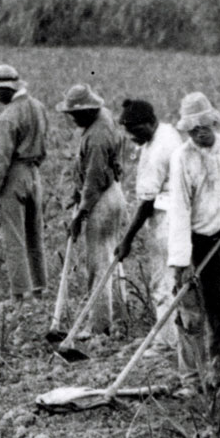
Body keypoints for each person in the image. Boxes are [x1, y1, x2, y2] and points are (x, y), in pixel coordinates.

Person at [162, 91, 220, 391]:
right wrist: (183, 262)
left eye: (204, 125)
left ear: (213, 121)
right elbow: (179, 211)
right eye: (193, 128)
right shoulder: (181, 158)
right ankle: (192, 379)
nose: (200, 132)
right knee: (190, 316)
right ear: (186, 130)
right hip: (192, 243)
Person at [117, 98, 188, 366]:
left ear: (149, 123)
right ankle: (169, 335)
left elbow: (146, 202)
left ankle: (166, 342)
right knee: (171, 280)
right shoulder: (166, 132)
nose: (131, 136)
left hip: (166, 219)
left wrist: (127, 239)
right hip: (174, 215)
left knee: (163, 282)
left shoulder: (159, 149)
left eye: (136, 129)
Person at [58, 83, 129, 335]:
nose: (72, 118)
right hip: (112, 193)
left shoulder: (97, 136)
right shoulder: (103, 119)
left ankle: (99, 325)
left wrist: (81, 212)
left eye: (75, 114)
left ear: (89, 110)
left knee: (98, 262)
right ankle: (120, 315)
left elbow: (94, 178)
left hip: (102, 199)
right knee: (110, 257)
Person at [0, 64, 49, 297]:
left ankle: (20, 294)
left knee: (14, 238)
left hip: (14, 174)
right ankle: (39, 287)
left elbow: (0, 161)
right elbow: (44, 147)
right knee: (34, 234)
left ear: (8, 89)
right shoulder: (39, 107)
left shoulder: (9, 116)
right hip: (34, 174)